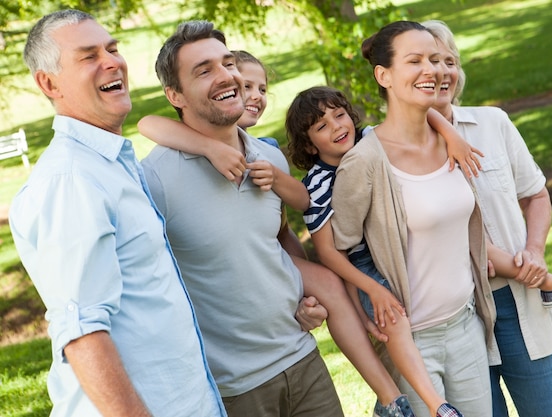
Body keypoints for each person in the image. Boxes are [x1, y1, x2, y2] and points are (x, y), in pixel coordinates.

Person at [8, 10, 226, 417]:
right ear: (48, 83)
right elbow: (82, 334)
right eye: (88, 56)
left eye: (112, 49)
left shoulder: (110, 164)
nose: (112, 62)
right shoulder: (72, 180)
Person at [140, 20, 343, 416]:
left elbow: (274, 244)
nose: (226, 76)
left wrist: (306, 297)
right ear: (174, 95)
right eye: (204, 70)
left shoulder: (269, 159)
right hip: (234, 388)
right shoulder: (154, 180)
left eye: (227, 63)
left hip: (303, 360)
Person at [422, 19, 552, 416]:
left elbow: (536, 194)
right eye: (428, 62)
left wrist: (535, 251)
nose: (442, 73)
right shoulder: (393, 149)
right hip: (454, 315)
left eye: (449, 61)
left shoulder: (492, 123)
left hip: (517, 300)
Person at [330, 21, 498, 417]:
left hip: (466, 323)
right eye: (414, 61)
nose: (432, 70)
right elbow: (337, 250)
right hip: (411, 340)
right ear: (383, 75)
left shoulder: (450, 141)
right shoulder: (365, 161)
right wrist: (370, 300)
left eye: (434, 59)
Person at [287, 85, 473, 417]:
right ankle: (437, 406)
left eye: (339, 115)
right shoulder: (316, 184)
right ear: (308, 145)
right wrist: (371, 291)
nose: (337, 127)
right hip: (362, 262)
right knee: (395, 321)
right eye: (322, 126)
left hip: (397, 244)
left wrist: (451, 135)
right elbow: (330, 254)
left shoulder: (371, 140)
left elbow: (418, 113)